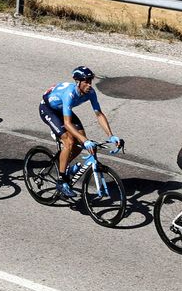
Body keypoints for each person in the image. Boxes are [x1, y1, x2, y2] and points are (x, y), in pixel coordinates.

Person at [40, 66, 123, 198]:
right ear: (78, 82)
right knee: (69, 141)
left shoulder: (90, 92)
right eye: (86, 81)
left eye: (91, 81)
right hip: (48, 109)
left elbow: (99, 114)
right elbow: (67, 124)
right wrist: (85, 140)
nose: (89, 85)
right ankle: (61, 181)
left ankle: (64, 166)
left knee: (81, 142)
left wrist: (111, 135)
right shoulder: (70, 94)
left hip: (62, 110)